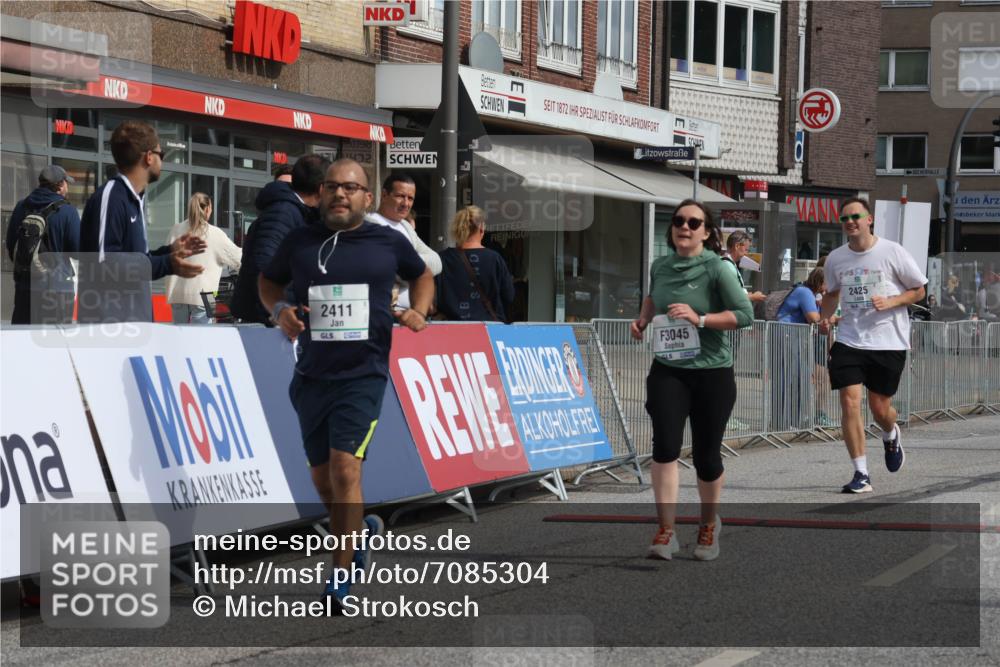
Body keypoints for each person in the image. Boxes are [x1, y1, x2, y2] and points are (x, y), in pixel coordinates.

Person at [258, 159, 433, 610]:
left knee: (345, 469)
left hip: (364, 372)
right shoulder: (300, 241)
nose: (340, 194)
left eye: (351, 187)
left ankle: (340, 572)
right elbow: (267, 281)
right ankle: (361, 532)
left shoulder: (389, 241)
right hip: (312, 374)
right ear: (320, 193)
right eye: (332, 186)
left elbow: (423, 275)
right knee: (323, 483)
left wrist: (420, 310)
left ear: (366, 197)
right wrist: (281, 312)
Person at [630, 199, 753, 561]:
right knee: (665, 447)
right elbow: (653, 297)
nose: (685, 227)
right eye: (679, 221)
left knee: (706, 456)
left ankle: (708, 524)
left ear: (707, 231)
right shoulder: (661, 266)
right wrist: (641, 321)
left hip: (712, 372)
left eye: (694, 222)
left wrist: (699, 319)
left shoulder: (718, 268)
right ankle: (666, 531)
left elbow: (745, 315)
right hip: (668, 369)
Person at [819, 197, 927, 494]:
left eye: (856, 216)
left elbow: (919, 290)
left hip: (888, 340)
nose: (850, 221)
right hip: (850, 339)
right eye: (844, 218)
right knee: (850, 402)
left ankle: (890, 434)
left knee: (880, 409)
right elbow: (832, 293)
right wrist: (824, 317)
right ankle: (861, 473)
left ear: (869, 219)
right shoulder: (836, 259)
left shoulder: (892, 252)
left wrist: (892, 301)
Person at [78, 121, 205, 323]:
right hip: (111, 331)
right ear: (149, 157)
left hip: (135, 327)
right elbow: (105, 263)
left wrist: (168, 251)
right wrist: (166, 264)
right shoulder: (111, 196)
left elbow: (134, 260)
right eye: (161, 155)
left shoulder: (135, 199)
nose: (162, 161)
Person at [230, 154, 329, 324]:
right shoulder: (283, 212)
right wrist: (280, 310)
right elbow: (264, 265)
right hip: (266, 320)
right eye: (333, 186)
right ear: (321, 188)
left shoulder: (299, 212)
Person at [6, 165, 80, 324]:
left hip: (25, 290)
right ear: (60, 185)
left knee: (24, 343)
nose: (67, 186)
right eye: (66, 183)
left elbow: (12, 246)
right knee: (54, 345)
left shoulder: (21, 206)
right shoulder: (68, 211)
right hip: (56, 293)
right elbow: (77, 251)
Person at [365, 173, 442, 311]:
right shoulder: (370, 225)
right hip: (384, 311)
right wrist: (415, 273)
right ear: (384, 195)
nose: (406, 203)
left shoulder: (406, 226)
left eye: (410, 198)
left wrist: (407, 265)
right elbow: (392, 272)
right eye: (400, 196)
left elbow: (437, 262)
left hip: (411, 313)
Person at [165, 193, 242, 324]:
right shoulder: (215, 233)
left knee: (179, 339)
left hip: (177, 294)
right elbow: (238, 259)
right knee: (200, 339)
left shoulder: (176, 230)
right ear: (207, 210)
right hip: (205, 297)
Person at [435, 206, 514, 322]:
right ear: (481, 229)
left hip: (452, 328)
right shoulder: (495, 259)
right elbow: (509, 296)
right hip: (489, 328)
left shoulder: (443, 259)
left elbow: (431, 297)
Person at [721, 230, 766, 305]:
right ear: (737, 246)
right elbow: (731, 297)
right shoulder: (728, 266)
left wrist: (749, 295)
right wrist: (753, 297)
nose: (747, 254)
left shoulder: (728, 264)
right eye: (746, 250)